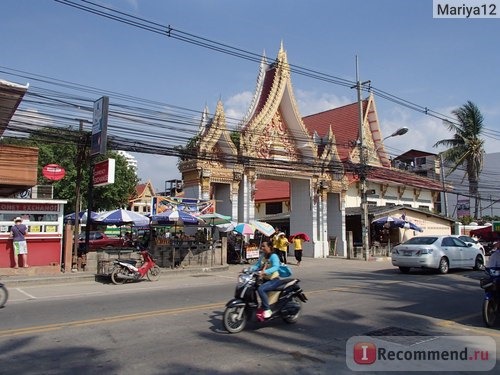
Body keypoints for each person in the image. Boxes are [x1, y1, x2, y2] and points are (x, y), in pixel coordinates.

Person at [249, 240, 281, 318]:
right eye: (262, 246)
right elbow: (257, 265)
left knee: (261, 289)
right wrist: (249, 269)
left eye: (264, 246)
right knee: (251, 286)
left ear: (269, 247)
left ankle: (267, 309)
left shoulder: (274, 256)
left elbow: (276, 267)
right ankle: (255, 306)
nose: (262, 248)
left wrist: (265, 272)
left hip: (274, 279)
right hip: (264, 279)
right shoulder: (263, 255)